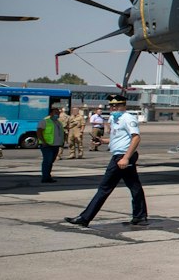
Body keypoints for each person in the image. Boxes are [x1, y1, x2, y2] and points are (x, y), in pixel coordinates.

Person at [63, 94, 147, 228]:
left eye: (116, 105)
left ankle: (85, 218)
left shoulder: (128, 118)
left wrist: (126, 158)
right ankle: (140, 216)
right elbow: (117, 138)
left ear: (123, 105)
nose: (113, 108)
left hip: (122, 156)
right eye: (112, 105)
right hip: (119, 155)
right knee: (134, 186)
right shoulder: (114, 119)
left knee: (104, 187)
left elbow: (136, 138)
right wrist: (102, 141)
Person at [36, 106, 63, 182]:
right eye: (55, 113)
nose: (57, 114)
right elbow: (39, 132)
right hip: (47, 145)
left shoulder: (59, 123)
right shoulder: (44, 121)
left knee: (51, 161)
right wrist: (43, 142)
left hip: (56, 145)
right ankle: (45, 177)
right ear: (51, 113)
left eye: (58, 113)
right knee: (47, 161)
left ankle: (48, 176)